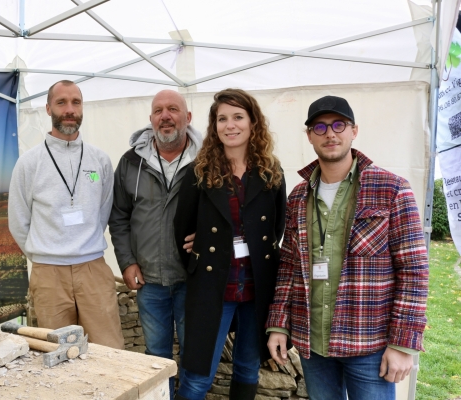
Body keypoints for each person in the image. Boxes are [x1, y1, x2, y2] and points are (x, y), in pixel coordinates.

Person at [266, 95, 429, 400]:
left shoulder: (391, 189)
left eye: (339, 125)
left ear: (354, 131)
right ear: (309, 136)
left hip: (369, 342)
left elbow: (414, 271)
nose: (330, 133)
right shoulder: (299, 196)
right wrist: (279, 324)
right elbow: (288, 266)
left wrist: (403, 344)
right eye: (320, 127)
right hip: (314, 344)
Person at [173, 88, 286, 400]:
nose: (230, 125)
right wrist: (210, 251)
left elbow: (275, 229)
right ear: (214, 126)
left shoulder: (270, 171)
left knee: (248, 367)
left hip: (257, 287)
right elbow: (182, 233)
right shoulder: (197, 173)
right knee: (197, 377)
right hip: (213, 287)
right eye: (222, 118)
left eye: (238, 117)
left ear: (253, 123)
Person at [8, 80, 123, 349]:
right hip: (48, 275)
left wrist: (84, 245)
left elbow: (103, 211)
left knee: (109, 351)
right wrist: (45, 253)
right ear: (48, 108)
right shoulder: (29, 163)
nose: (69, 109)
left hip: (93, 269)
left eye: (76, 102)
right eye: (61, 102)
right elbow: (18, 220)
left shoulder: (100, 160)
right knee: (58, 354)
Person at [108, 90, 203, 398]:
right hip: (149, 280)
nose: (165, 116)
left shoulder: (206, 162)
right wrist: (126, 261)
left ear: (187, 118)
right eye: (159, 110)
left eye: (173, 109)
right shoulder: (130, 162)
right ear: (150, 120)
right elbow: (119, 217)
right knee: (155, 356)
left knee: (194, 355)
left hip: (194, 279)